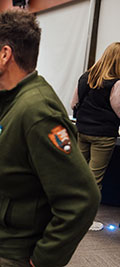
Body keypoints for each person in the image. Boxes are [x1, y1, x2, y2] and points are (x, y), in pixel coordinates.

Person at [0, 9, 100, 267]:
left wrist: (44, 259)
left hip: (12, 254)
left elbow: (82, 199)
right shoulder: (6, 98)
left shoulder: (37, 111)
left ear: (5, 54)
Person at [71, 42, 120, 230]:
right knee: (93, 179)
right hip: (103, 136)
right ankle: (86, 220)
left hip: (82, 131)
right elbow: (118, 110)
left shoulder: (85, 77)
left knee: (78, 175)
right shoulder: (116, 83)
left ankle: (71, 214)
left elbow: (73, 103)